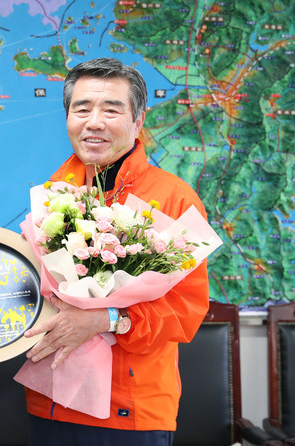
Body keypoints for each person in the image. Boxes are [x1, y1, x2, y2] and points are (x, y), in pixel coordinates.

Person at [22, 58, 210, 444]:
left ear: (138, 121)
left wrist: (106, 317)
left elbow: (184, 312)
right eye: (82, 109)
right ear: (68, 118)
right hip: (53, 399)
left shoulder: (174, 199)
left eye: (111, 109)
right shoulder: (53, 194)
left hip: (132, 408)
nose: (94, 122)